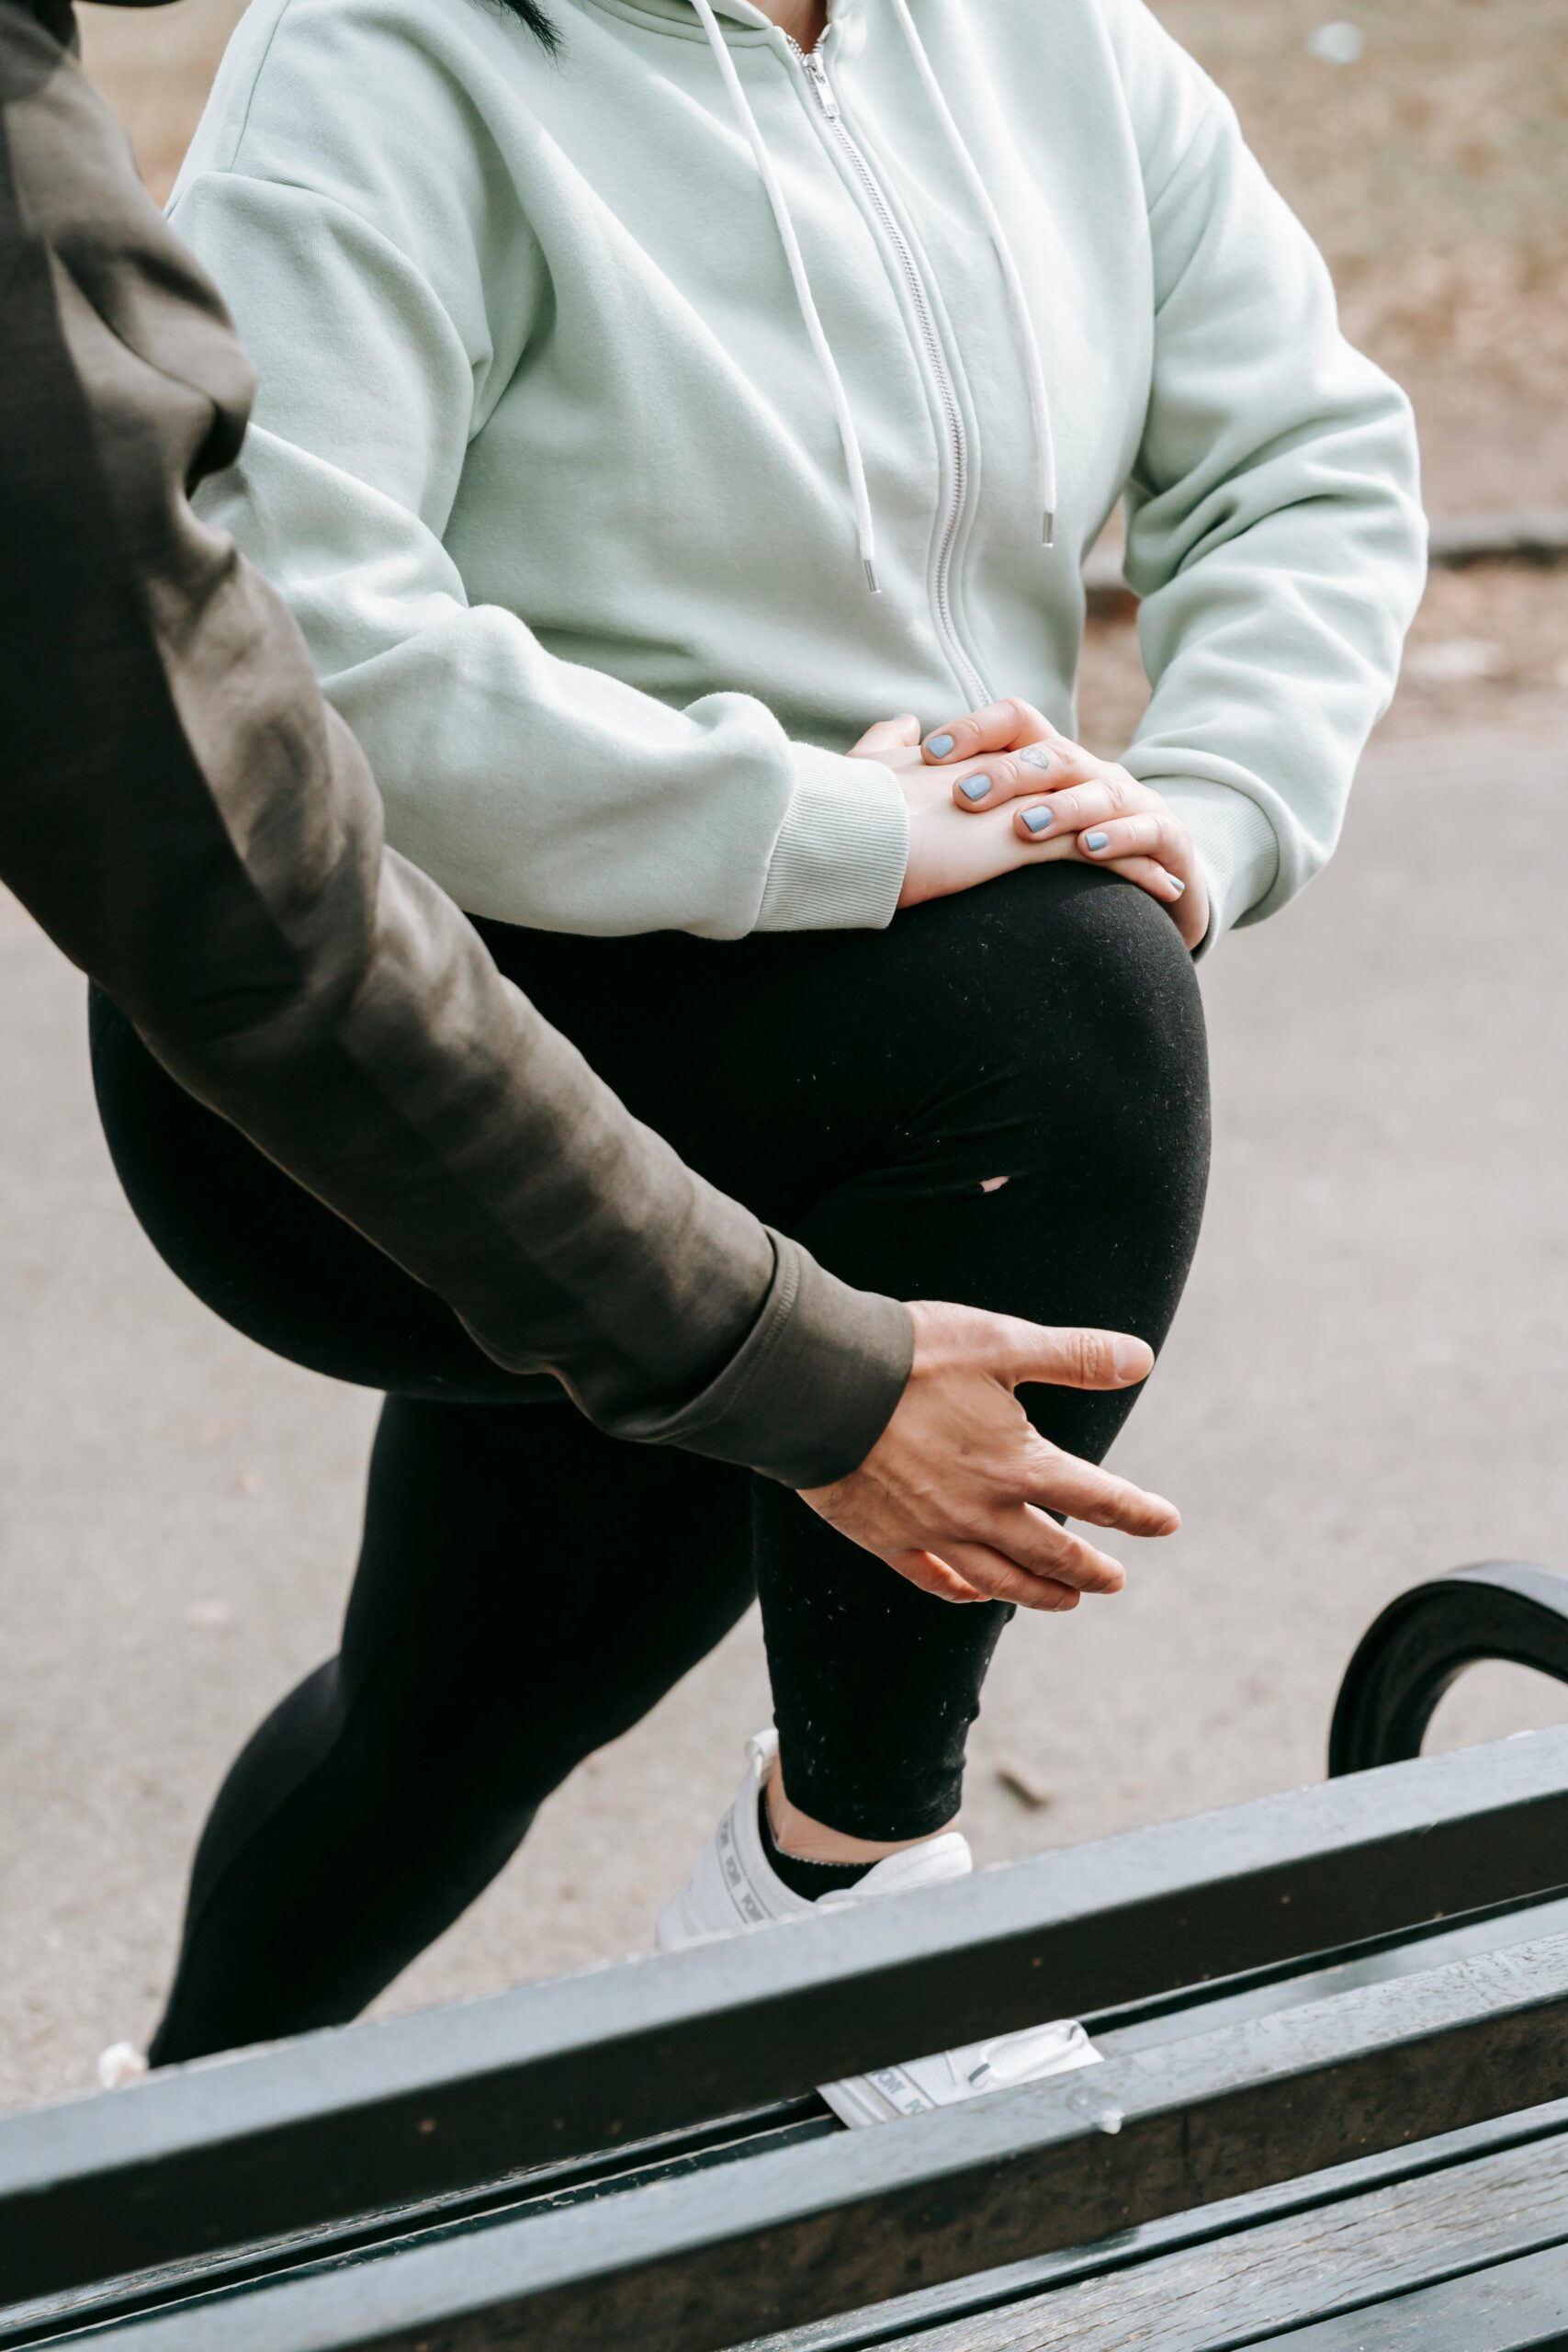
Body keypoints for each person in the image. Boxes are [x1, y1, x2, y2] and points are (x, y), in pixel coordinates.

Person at [91, 0, 1424, 2117]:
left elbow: (1301, 460)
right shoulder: (377, 54)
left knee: (455, 1709)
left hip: (837, 1054)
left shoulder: (1052, 40)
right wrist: (827, 830)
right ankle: (850, 1872)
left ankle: (144, 2145)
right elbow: (299, 643)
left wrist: (1224, 795)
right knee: (1063, 988)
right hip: (390, 1037)